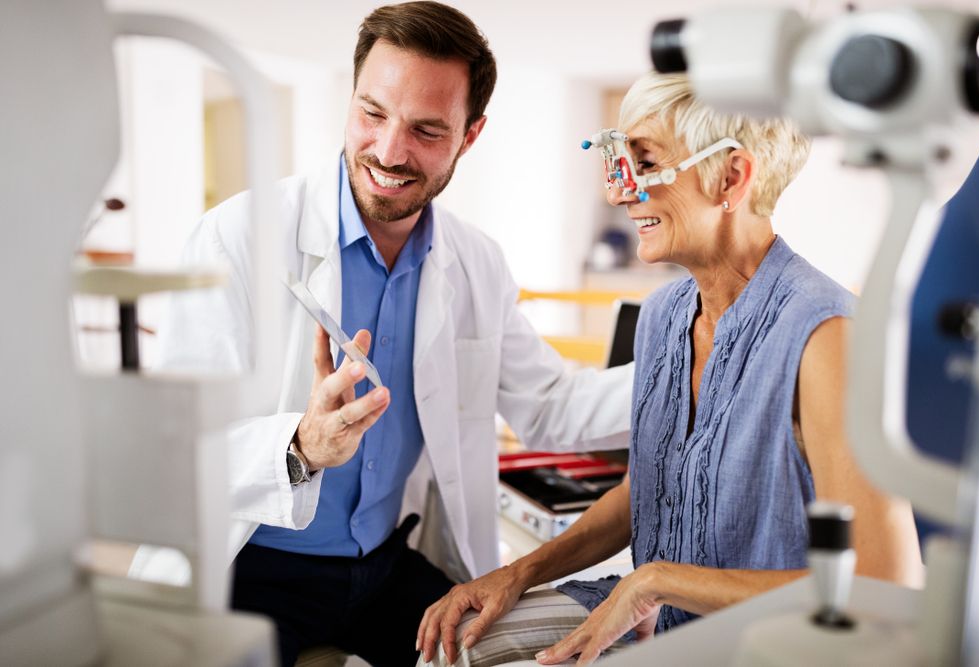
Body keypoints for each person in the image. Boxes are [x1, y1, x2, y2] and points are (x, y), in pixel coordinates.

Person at [136, 3, 632, 666]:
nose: (391, 151)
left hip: (387, 566)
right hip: (249, 569)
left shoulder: (475, 262)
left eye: (427, 129)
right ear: (350, 101)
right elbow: (174, 449)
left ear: (470, 135)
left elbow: (548, 405)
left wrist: (700, 379)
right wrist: (301, 446)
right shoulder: (237, 237)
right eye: (372, 113)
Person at [416, 72, 924, 666]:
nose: (620, 194)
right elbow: (650, 492)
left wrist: (656, 581)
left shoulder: (828, 335)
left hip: (765, 644)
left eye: (645, 161)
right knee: (454, 651)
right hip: (655, 619)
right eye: (619, 163)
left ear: (731, 176)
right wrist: (517, 573)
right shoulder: (664, 315)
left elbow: (884, 587)